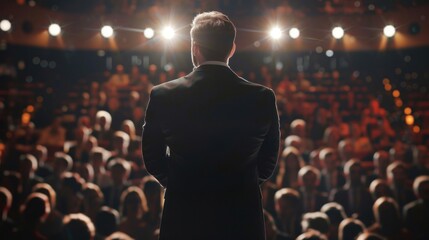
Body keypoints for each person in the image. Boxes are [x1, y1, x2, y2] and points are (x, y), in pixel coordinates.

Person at [142, 11, 280, 240]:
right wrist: (238, 184)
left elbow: (152, 157)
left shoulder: (164, 95)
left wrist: (181, 183)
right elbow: (268, 161)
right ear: (232, 48)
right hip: (241, 217)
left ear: (194, 47)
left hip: (185, 216)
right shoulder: (262, 97)